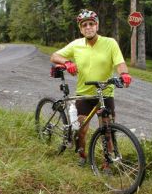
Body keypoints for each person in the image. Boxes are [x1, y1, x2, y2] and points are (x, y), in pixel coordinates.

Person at [50, 9, 132, 166]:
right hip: (84, 94)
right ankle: (82, 155)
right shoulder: (76, 45)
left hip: (105, 93)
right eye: (84, 25)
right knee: (82, 130)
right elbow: (54, 56)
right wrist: (67, 63)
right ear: (81, 29)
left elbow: (120, 63)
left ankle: (107, 163)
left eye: (91, 24)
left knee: (108, 130)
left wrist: (124, 74)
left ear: (97, 26)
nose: (88, 27)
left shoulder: (110, 43)